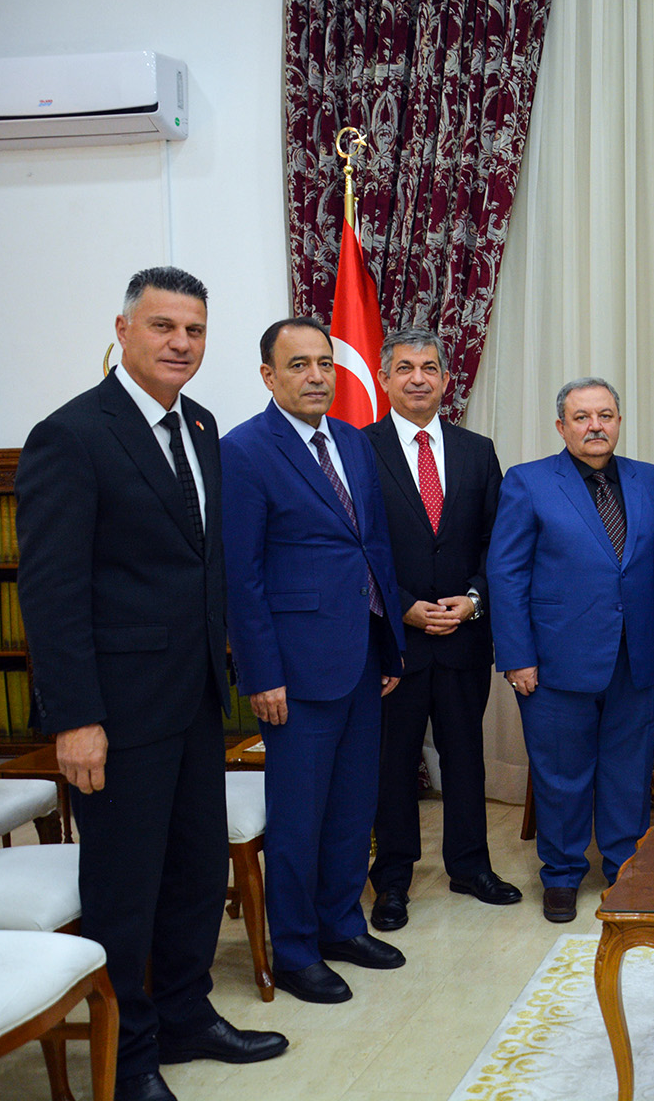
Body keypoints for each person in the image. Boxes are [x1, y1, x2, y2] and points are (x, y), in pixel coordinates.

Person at [16, 268, 287, 1101]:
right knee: (125, 888)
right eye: (164, 326)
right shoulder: (71, 435)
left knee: (196, 872)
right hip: (117, 713)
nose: (180, 343)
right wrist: (75, 718)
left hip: (195, 699)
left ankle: (185, 1015)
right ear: (124, 330)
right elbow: (53, 592)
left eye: (194, 330)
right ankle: (128, 1055)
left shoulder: (200, 425)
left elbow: (204, 564)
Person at [221, 316, 408, 1005]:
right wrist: (261, 674)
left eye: (324, 363)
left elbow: (374, 548)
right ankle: (295, 950)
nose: (316, 376)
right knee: (298, 819)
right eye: (298, 364)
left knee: (352, 807)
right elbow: (241, 575)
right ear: (268, 376)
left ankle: (340, 925)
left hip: (361, 655)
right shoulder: (244, 450)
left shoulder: (354, 441)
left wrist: (388, 643)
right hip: (295, 670)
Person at [489, 378, 654, 923]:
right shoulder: (528, 481)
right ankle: (561, 874)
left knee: (629, 771)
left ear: (619, 421)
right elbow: (506, 574)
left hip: (637, 657)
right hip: (555, 660)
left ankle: (625, 867)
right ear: (562, 426)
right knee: (560, 775)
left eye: (605, 415)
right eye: (582, 417)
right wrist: (517, 656)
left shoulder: (650, 479)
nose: (595, 426)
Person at [363, 327, 519, 932]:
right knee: (393, 764)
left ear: (447, 379)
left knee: (465, 757)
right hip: (395, 642)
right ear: (385, 378)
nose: (418, 378)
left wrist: (475, 600)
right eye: (405, 368)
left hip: (463, 638)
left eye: (429, 367)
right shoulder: (359, 448)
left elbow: (497, 542)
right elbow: (358, 545)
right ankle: (392, 879)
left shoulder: (477, 451)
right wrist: (402, 605)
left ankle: (470, 866)